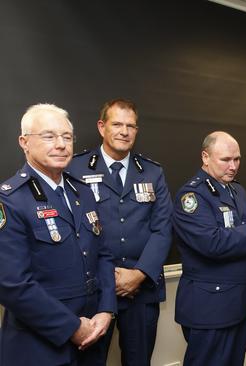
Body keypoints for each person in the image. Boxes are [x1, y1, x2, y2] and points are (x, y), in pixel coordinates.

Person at [0, 104, 116, 365]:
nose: (61, 144)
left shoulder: (83, 192)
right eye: (49, 136)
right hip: (40, 345)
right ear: (24, 142)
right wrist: (73, 328)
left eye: (66, 137)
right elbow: (12, 284)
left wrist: (107, 309)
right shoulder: (10, 200)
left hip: (93, 338)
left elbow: (104, 255)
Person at [68, 99, 173, 365]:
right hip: (93, 289)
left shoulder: (152, 171)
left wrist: (138, 275)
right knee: (90, 361)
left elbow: (163, 229)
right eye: (117, 124)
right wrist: (108, 278)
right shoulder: (75, 168)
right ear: (102, 127)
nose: (124, 131)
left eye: (131, 126)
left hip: (141, 289)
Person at [172, 131, 246, 366]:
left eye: (237, 159)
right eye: (226, 159)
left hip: (239, 302)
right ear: (205, 157)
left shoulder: (236, 191)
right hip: (211, 308)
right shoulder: (192, 196)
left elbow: (243, 238)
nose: (233, 166)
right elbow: (212, 244)